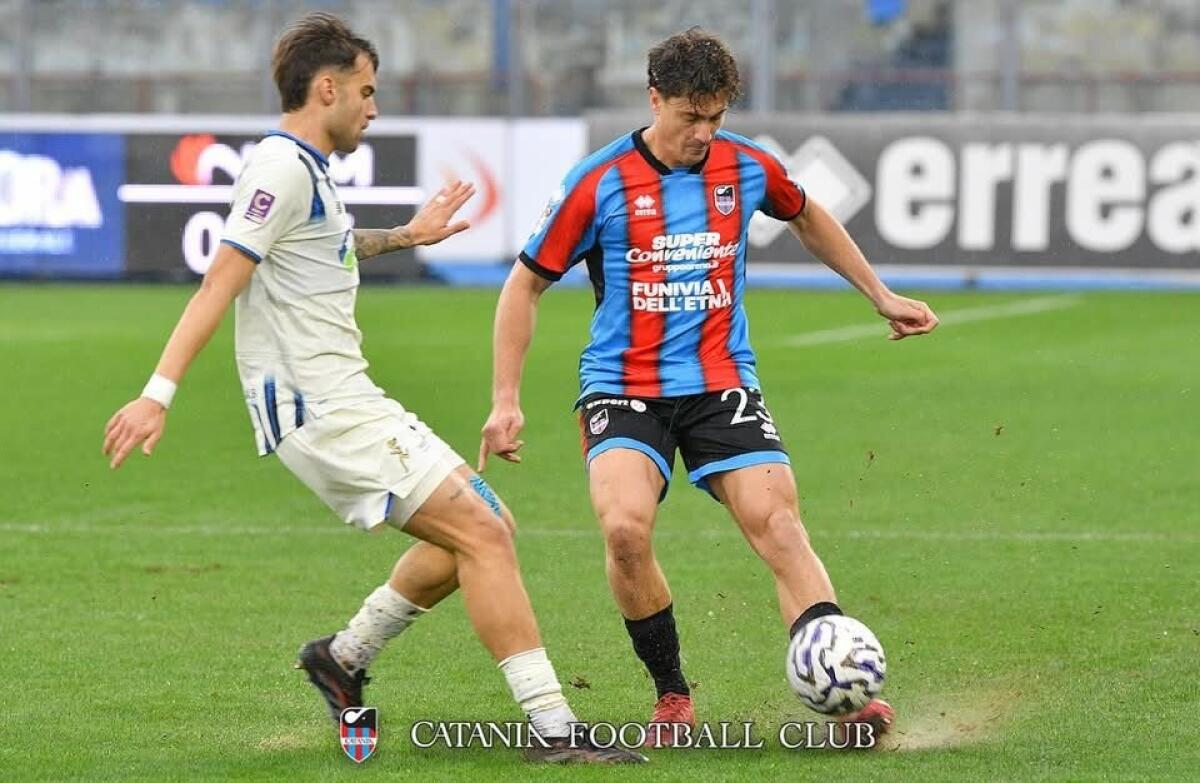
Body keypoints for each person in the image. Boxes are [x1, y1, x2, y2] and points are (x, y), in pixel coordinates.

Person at [101, 12, 644, 765]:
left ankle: (342, 657)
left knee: (485, 532)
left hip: (344, 398)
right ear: (327, 88)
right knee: (483, 532)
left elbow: (323, 243)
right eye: (366, 90)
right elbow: (219, 284)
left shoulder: (305, 168)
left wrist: (406, 236)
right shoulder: (282, 168)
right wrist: (157, 392)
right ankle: (553, 729)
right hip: (321, 408)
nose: (374, 106)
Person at [478, 27, 939, 747]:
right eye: (691, 115)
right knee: (626, 530)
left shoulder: (746, 166)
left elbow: (808, 214)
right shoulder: (598, 182)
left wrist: (878, 293)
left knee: (781, 527)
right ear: (654, 98)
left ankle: (843, 692)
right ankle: (671, 693)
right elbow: (524, 285)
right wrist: (506, 400)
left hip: (721, 380)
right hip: (623, 386)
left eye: (716, 117)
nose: (704, 132)